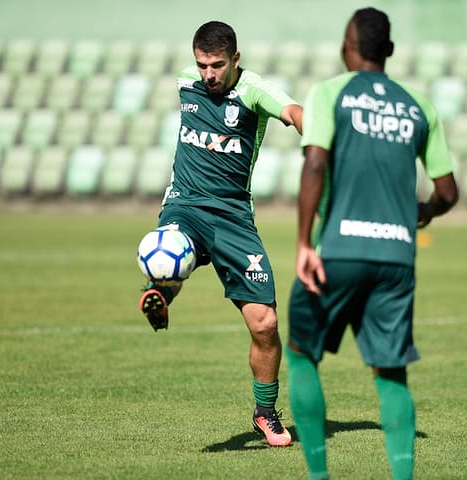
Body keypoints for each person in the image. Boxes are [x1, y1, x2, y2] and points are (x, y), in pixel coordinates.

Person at [286, 7, 458, 479]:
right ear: (390, 51)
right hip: (397, 257)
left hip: (340, 251)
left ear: (347, 47)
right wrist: (423, 213)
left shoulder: (328, 93)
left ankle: (319, 476)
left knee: (302, 353)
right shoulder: (418, 105)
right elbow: (447, 192)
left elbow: (316, 164)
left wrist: (304, 242)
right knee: (391, 373)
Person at [138, 20, 302, 447]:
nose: (207, 74)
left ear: (235, 60)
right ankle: (161, 291)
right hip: (185, 205)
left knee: (265, 324)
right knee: (167, 248)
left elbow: (292, 112)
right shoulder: (185, 82)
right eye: (202, 65)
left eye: (217, 65)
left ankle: (265, 413)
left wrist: (317, 132)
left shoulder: (253, 91)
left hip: (233, 217)